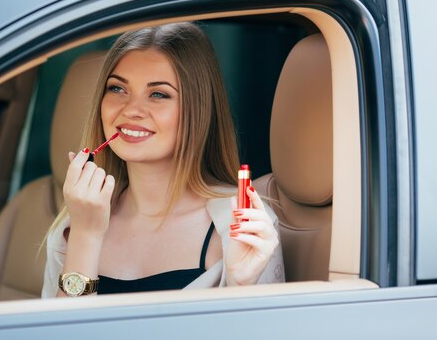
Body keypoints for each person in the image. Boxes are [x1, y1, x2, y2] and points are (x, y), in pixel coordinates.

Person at [42, 22, 284, 297]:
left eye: (158, 94)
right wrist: (85, 235)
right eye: (118, 89)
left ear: (198, 109)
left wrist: (241, 287)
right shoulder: (75, 224)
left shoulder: (242, 226)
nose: (131, 109)